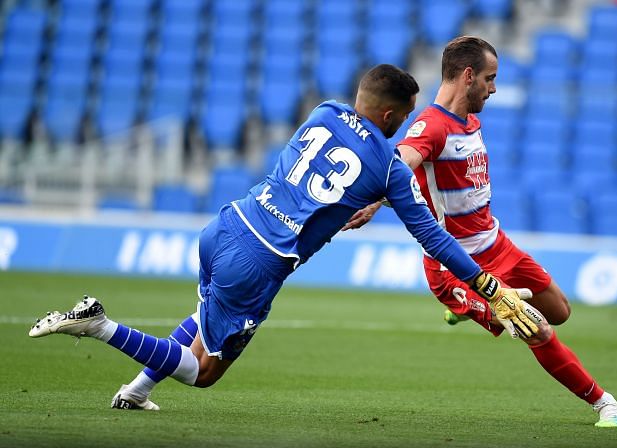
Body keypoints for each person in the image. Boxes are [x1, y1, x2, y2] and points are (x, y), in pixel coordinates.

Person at [28, 64, 542, 411]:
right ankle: (98, 326)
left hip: (226, 226)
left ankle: (136, 393)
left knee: (207, 317)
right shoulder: (387, 167)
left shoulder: (323, 111)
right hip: (260, 260)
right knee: (204, 373)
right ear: (389, 115)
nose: (402, 125)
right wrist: (489, 287)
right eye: (403, 118)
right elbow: (433, 236)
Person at [342, 37, 617, 427]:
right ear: (468, 76)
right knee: (536, 330)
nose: (494, 88)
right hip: (457, 265)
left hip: (497, 243)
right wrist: (375, 200)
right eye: (490, 79)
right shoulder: (430, 126)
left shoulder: (471, 122)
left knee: (559, 311)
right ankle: (605, 403)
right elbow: (402, 162)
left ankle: (463, 310)